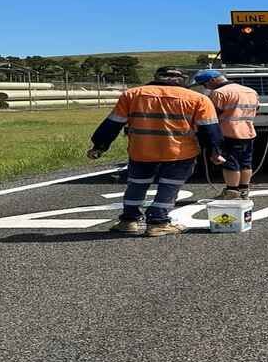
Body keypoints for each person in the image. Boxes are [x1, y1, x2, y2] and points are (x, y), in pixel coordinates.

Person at [87, 67, 226, 236]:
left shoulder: (132, 95)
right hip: (179, 151)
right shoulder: (198, 98)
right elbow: (209, 129)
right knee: (169, 185)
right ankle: (158, 222)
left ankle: (129, 220)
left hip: (141, 149)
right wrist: (215, 151)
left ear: (156, 77)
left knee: (137, 184)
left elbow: (113, 124)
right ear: (182, 80)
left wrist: (99, 146)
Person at [193, 69, 260, 199]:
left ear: (212, 80)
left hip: (228, 133)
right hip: (248, 131)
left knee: (230, 163)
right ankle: (244, 190)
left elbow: (210, 114)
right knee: (246, 162)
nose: (205, 87)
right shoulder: (250, 91)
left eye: (205, 84)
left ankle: (232, 191)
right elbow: (256, 108)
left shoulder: (219, 93)